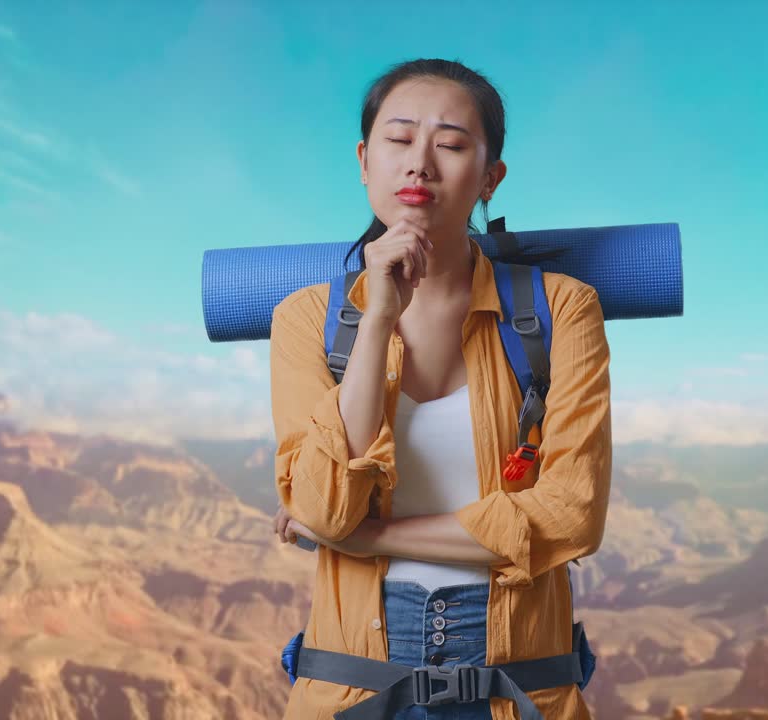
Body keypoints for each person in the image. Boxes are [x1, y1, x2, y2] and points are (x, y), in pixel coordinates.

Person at [270, 57, 611, 720]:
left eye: (451, 145)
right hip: (353, 691)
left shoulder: (562, 310)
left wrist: (367, 537)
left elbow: (572, 517)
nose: (420, 163)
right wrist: (377, 321)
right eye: (399, 141)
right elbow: (323, 503)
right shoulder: (305, 319)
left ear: (489, 178)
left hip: (519, 690)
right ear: (365, 160)